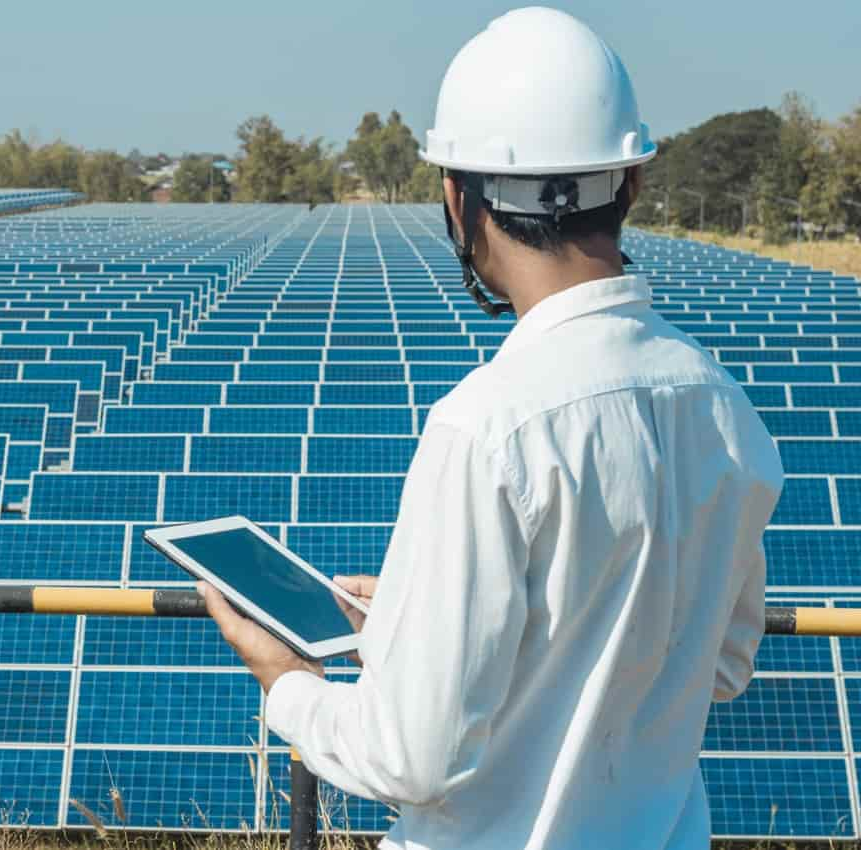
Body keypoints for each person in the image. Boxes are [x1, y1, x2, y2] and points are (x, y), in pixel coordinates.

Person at [199, 7, 784, 849]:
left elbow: (412, 759)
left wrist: (288, 684)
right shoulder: (721, 405)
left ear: (457, 198)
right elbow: (720, 666)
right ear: (632, 184)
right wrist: (410, 629)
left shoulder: (489, 426)